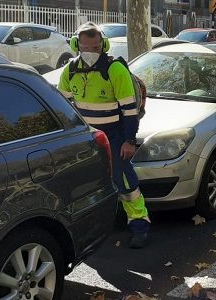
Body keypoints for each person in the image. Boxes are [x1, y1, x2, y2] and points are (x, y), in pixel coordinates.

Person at [58, 22, 150, 249]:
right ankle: (96, 227)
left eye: (95, 48)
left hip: (116, 135)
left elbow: (129, 111)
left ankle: (139, 225)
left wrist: (130, 141)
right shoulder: (70, 70)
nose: (90, 53)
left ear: (104, 46)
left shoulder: (114, 69)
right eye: (85, 48)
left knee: (124, 180)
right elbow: (63, 106)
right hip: (87, 137)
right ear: (76, 45)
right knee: (89, 182)